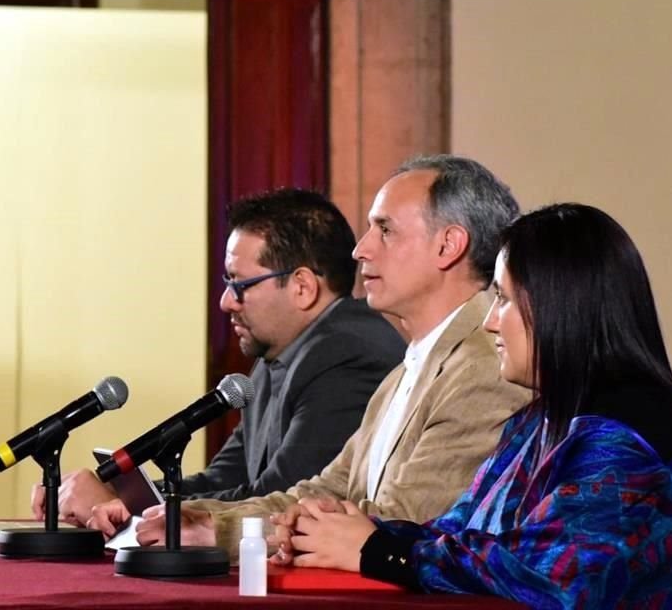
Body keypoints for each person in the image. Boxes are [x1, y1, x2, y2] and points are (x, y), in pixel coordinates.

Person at [272, 203, 672, 608]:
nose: (490, 323)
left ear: (558, 307)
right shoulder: (544, 417)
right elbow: (464, 531)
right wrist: (346, 530)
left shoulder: (627, 432)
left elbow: (549, 576)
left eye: (503, 300)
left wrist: (377, 551)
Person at [88, 154, 532, 558]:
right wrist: (194, 518)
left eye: (385, 229)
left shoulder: (483, 363)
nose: (361, 249)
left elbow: (399, 523)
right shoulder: (408, 366)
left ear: (448, 246)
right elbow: (323, 491)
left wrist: (218, 534)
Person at [31, 189, 406, 525]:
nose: (226, 302)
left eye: (239, 285)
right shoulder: (277, 355)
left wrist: (126, 507)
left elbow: (281, 500)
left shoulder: (347, 354)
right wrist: (120, 497)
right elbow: (227, 478)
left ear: (302, 287)